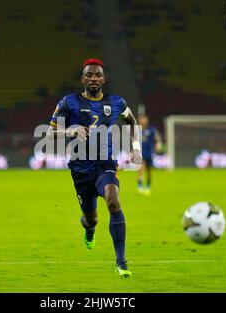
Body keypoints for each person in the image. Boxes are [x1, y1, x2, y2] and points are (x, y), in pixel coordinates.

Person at [46, 58, 142, 278]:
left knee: (114, 200)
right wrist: (71, 130)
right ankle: (89, 229)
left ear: (104, 78)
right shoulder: (68, 103)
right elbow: (50, 134)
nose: (93, 78)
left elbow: (132, 121)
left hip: (105, 164)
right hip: (80, 170)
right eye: (89, 75)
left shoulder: (116, 103)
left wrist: (135, 147)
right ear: (82, 79)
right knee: (92, 219)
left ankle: (121, 262)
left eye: (97, 74)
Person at [137, 114, 163, 196]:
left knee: (149, 171)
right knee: (140, 168)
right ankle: (140, 185)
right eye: (141, 119)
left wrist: (158, 144)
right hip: (141, 153)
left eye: (144, 119)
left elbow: (158, 138)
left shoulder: (152, 130)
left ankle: (148, 186)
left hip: (149, 152)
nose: (142, 121)